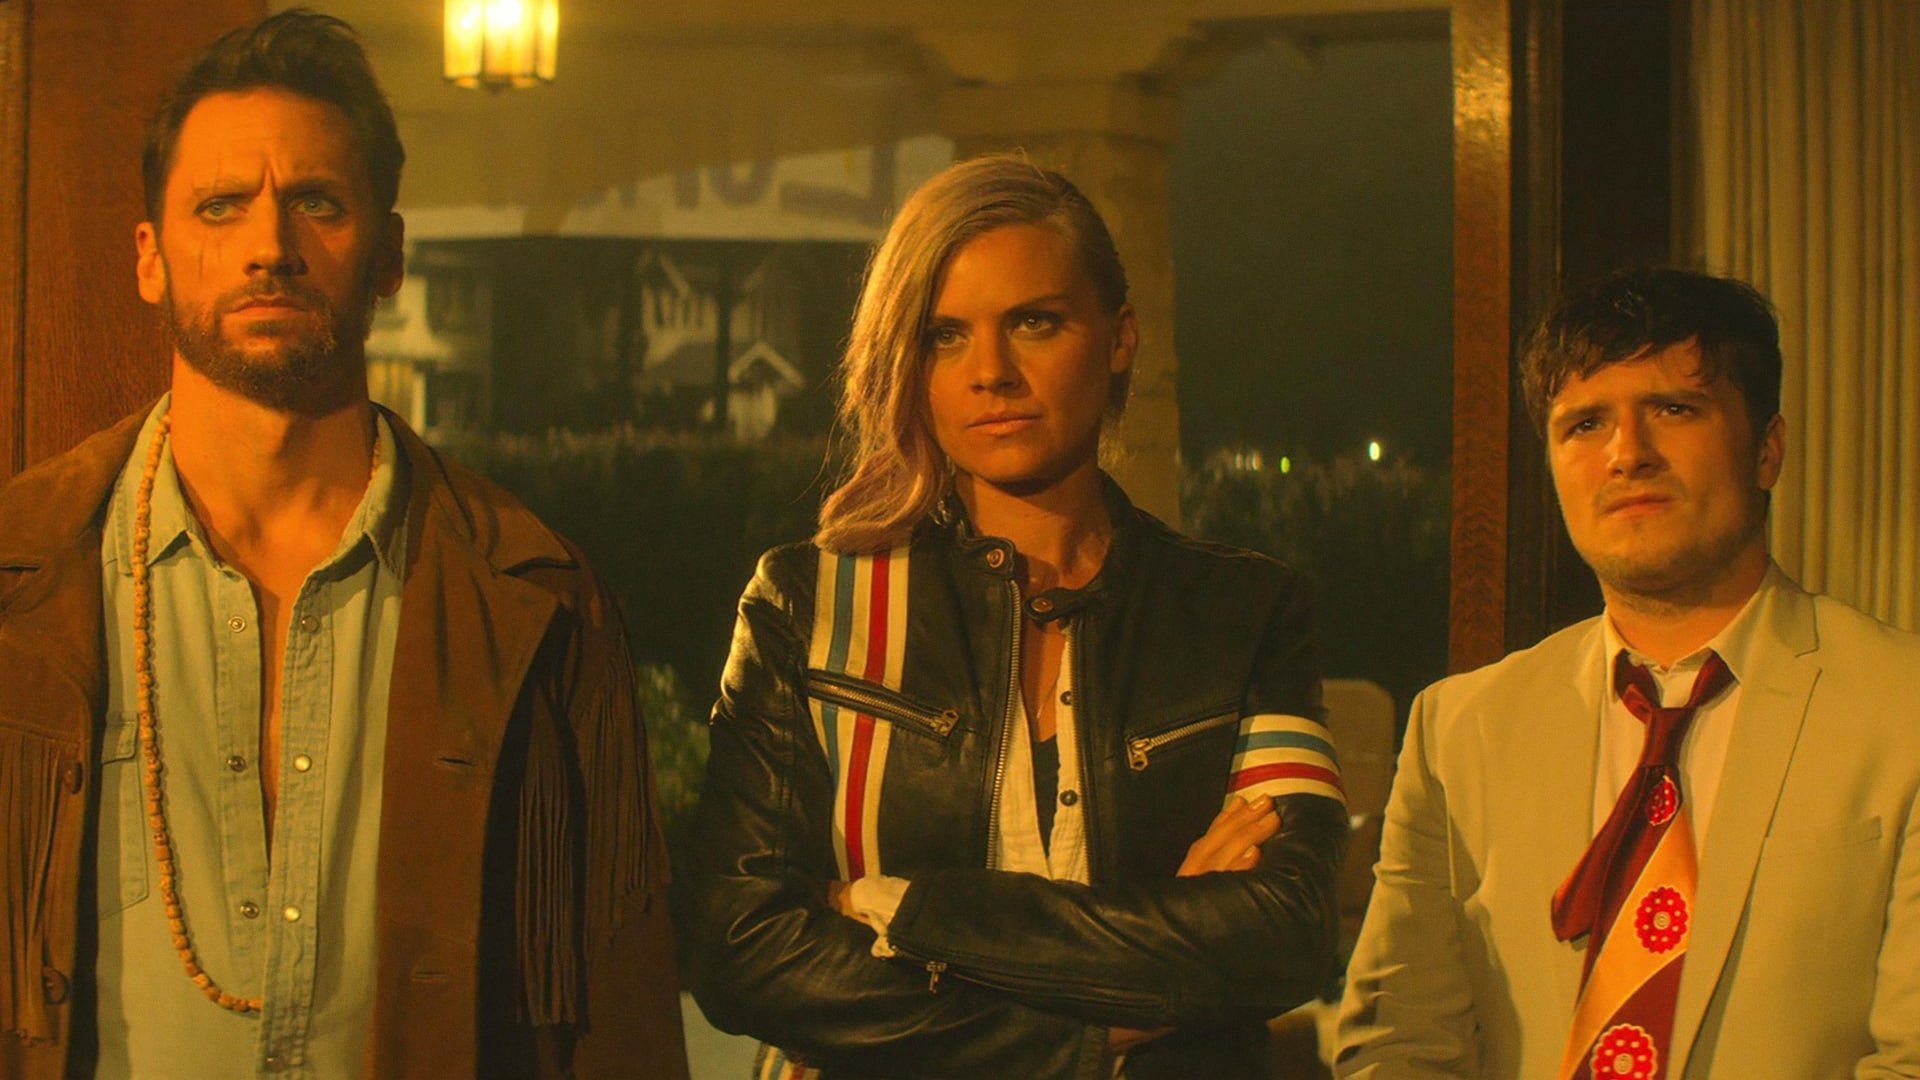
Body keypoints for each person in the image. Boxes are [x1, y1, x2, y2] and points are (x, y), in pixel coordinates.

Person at [0, 12, 687, 1079]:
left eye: (316, 202)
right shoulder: (26, 575)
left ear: (390, 255)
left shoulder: (535, 598)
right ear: (150, 259)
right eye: (220, 206)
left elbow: (619, 1017)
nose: (269, 247)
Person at [687, 153, 1348, 1079]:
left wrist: (901, 910)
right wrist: (1116, 1005)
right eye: (945, 335)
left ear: (1120, 337)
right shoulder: (811, 602)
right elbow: (742, 951)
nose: (990, 372)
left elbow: (1288, 931)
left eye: (1035, 322)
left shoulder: (1243, 610)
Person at [1335, 268, 1920, 1079]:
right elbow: (1398, 1043)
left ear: (1768, 449)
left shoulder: (1899, 707)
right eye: (1585, 425)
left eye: (1674, 410)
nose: (1627, 455)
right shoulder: (1461, 729)